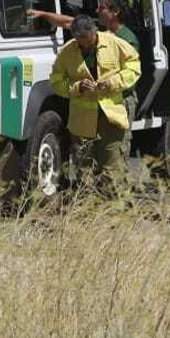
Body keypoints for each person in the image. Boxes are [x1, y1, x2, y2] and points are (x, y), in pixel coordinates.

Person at [50, 15, 140, 200]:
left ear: (94, 32)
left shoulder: (115, 43)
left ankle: (115, 210)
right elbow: (56, 82)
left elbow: (134, 67)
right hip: (82, 122)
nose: (85, 46)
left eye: (88, 41)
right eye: (80, 42)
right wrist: (77, 88)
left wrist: (111, 83)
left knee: (112, 167)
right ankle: (89, 212)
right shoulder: (67, 52)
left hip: (111, 117)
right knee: (84, 169)